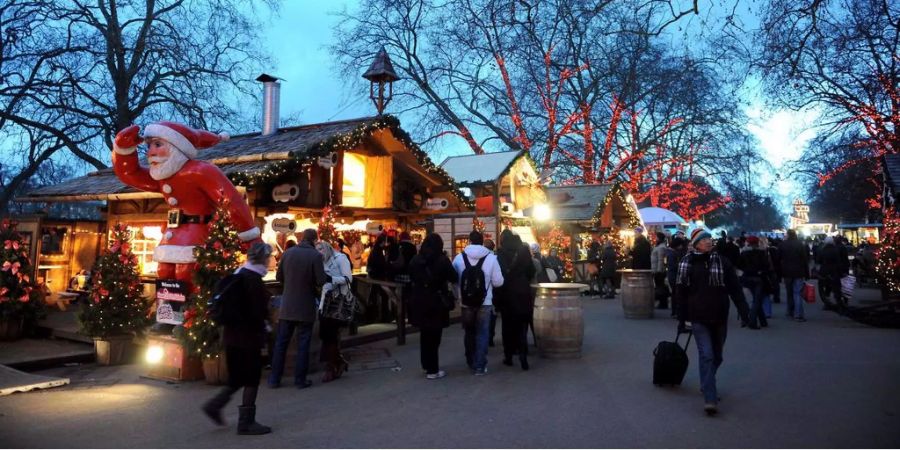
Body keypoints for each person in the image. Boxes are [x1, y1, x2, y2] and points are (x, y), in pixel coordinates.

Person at [111, 123, 261, 333]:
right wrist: (123, 149)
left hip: (196, 234)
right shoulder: (163, 174)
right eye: (149, 146)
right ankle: (168, 317)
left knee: (187, 274)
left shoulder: (201, 171)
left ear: (176, 146)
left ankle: (191, 320)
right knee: (165, 274)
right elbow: (131, 174)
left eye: (157, 144)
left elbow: (231, 201)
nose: (151, 152)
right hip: (173, 235)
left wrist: (248, 235)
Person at [675, 228, 750, 416]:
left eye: (709, 238)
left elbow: (735, 288)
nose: (708, 241)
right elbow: (681, 294)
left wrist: (744, 311)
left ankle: (706, 382)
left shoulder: (723, 262)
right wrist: (682, 319)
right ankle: (710, 396)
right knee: (707, 355)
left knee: (717, 356)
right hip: (698, 316)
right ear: (696, 244)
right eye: (704, 239)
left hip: (719, 316)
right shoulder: (687, 264)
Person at [202, 242, 273, 435]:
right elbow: (257, 313)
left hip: (231, 335)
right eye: (269, 257)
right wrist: (265, 331)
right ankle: (246, 422)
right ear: (263, 259)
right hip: (248, 337)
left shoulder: (238, 275)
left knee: (236, 378)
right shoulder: (254, 281)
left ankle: (214, 405)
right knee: (251, 379)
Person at [269, 229, 326, 389]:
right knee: (303, 343)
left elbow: (279, 277)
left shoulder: (287, 253)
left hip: (287, 306)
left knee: (281, 343)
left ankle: (274, 378)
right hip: (305, 306)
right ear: (314, 240)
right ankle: (300, 379)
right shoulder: (315, 256)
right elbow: (321, 281)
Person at [452, 230, 504, 375]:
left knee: (469, 332)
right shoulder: (492, 258)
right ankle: (480, 366)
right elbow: (498, 282)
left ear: (469, 241)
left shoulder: (458, 258)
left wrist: (460, 296)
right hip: (485, 302)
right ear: (482, 241)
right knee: (482, 333)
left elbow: (454, 281)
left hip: (466, 303)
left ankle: (470, 360)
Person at [408, 234, 457, 379]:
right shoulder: (442, 260)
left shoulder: (416, 260)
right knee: (435, 336)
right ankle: (433, 370)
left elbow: (411, 275)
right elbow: (453, 277)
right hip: (436, 300)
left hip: (419, 299)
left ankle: (426, 365)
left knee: (424, 334)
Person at [495, 231, 536, 371]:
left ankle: (509, 356)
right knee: (522, 326)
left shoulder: (500, 254)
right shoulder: (524, 252)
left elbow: (498, 275)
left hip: (507, 293)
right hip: (523, 292)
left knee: (507, 326)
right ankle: (523, 356)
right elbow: (532, 271)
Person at [315, 240, 353, 383]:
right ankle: (337, 362)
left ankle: (331, 367)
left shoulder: (341, 259)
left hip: (337, 302)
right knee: (326, 335)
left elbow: (349, 279)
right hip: (324, 302)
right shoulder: (321, 260)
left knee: (329, 335)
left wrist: (332, 279)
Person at [737, 236, 771, 329]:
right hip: (759, 278)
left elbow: (739, 265)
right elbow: (766, 266)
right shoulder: (762, 252)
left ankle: (763, 321)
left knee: (756, 299)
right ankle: (752, 321)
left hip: (747, 278)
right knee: (757, 300)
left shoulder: (743, 253)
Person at [779, 230, 810, 321]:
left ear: (788, 235)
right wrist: (807, 273)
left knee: (789, 293)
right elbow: (805, 260)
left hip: (786, 272)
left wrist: (779, 273)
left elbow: (778, 259)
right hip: (798, 272)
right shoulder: (800, 244)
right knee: (798, 293)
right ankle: (798, 314)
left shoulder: (782, 245)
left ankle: (790, 311)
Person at [816, 236, 848, 310]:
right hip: (834, 271)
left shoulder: (822, 250)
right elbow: (839, 261)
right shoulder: (836, 250)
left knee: (825, 288)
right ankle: (839, 303)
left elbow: (818, 261)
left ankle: (827, 303)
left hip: (824, 271)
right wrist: (841, 271)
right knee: (836, 288)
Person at [667, 237, 687, 316]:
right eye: (680, 245)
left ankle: (674, 311)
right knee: (676, 294)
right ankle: (675, 311)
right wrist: (682, 265)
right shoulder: (672, 253)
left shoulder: (672, 252)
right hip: (673, 276)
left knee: (674, 294)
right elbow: (673, 265)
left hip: (672, 275)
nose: (681, 247)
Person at [651, 232, 669, 309]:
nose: (655, 239)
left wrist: (659, 271)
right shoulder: (658, 246)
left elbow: (661, 260)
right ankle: (662, 302)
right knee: (659, 286)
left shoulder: (661, 247)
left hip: (659, 271)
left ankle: (663, 302)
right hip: (655, 269)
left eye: (657, 237)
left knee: (660, 287)